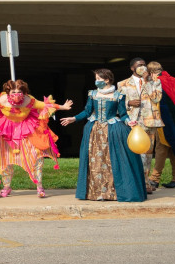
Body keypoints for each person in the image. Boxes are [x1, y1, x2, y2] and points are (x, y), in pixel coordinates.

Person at [0, 80, 71, 198]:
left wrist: (63, 107)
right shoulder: (1, 100)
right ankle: (6, 187)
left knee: (36, 156)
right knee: (5, 159)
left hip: (27, 129)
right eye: (13, 91)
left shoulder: (29, 100)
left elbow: (46, 105)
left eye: (19, 91)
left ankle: (39, 187)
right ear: (8, 92)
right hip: (6, 130)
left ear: (24, 92)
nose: (16, 94)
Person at [60, 69, 146, 202]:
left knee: (114, 160)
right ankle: (95, 193)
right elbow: (87, 111)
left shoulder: (118, 95)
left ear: (107, 80)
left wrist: (130, 122)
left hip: (112, 130)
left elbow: (123, 114)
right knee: (95, 161)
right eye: (96, 79)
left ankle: (113, 193)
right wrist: (74, 118)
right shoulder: (93, 94)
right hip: (94, 132)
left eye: (99, 79)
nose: (96, 81)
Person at [118, 57, 171, 194]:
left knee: (146, 154)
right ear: (132, 68)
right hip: (131, 122)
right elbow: (116, 106)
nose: (142, 67)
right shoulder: (122, 84)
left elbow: (156, 98)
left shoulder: (155, 82)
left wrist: (147, 82)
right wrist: (128, 103)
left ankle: (145, 182)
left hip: (148, 122)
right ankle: (131, 182)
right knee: (131, 152)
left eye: (144, 65)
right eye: (139, 65)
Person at [146, 60, 175, 187]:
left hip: (163, 119)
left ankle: (154, 179)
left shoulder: (156, 82)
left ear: (151, 72)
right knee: (174, 148)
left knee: (161, 147)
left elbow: (154, 99)